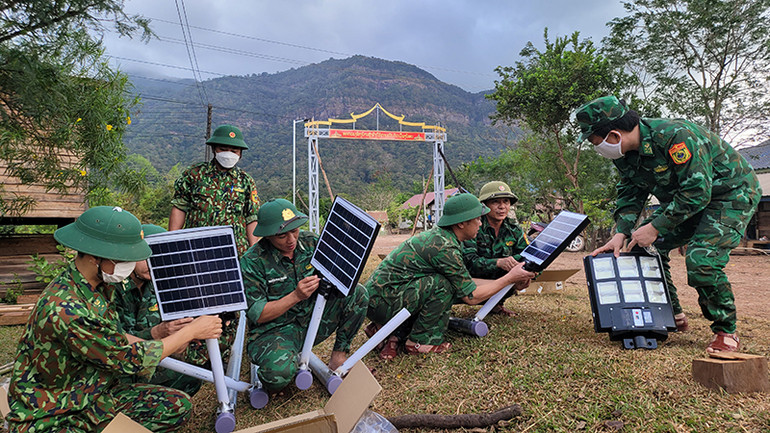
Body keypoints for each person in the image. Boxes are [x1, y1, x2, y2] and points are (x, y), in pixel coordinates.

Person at [6, 206, 222, 432]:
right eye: (122, 258)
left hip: (91, 394)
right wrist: (191, 331)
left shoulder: (93, 286)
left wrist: (166, 337)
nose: (129, 264)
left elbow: (116, 337)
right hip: (55, 414)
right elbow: (128, 359)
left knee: (175, 406)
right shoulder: (67, 309)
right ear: (94, 257)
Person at [575, 95, 762, 353]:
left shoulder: (675, 137)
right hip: (685, 200)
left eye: (596, 143)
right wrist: (621, 233)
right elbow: (630, 192)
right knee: (643, 248)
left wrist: (655, 227)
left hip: (730, 195)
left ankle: (725, 330)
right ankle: (670, 313)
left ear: (614, 135)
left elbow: (697, 191)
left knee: (701, 260)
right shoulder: (624, 154)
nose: (597, 148)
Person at [365, 193, 535, 360]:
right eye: (477, 219)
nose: (480, 223)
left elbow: (465, 283)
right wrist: (509, 278)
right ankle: (419, 342)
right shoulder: (445, 247)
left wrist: (508, 283)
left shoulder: (444, 238)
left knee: (446, 284)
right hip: (382, 303)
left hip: (381, 298)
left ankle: (386, 330)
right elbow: (471, 296)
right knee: (442, 286)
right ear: (461, 223)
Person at [240, 199, 368, 393]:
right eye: (282, 235)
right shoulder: (252, 262)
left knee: (357, 293)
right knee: (277, 376)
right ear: (267, 235)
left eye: (295, 231)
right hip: (275, 330)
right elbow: (258, 314)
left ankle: (339, 356)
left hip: (312, 320)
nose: (291, 239)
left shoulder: (310, 242)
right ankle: (281, 360)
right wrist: (296, 296)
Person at [114, 224, 203, 396]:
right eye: (146, 257)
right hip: (121, 367)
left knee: (190, 379)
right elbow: (115, 341)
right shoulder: (112, 288)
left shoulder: (162, 283)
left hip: (154, 361)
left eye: (159, 257)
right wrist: (156, 332)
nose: (153, 263)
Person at [169, 124, 261, 256]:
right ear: (214, 149)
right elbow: (179, 207)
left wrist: (252, 253)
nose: (228, 154)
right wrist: (172, 242)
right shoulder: (194, 174)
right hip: (197, 249)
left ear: (240, 154)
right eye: (223, 149)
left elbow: (252, 218)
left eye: (234, 151)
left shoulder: (246, 181)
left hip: (235, 252)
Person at [462, 181, 529, 316]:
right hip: (472, 280)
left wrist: (527, 274)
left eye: (506, 201)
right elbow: (469, 262)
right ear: (484, 205)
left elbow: (528, 255)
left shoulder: (514, 229)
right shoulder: (474, 226)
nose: (502, 207)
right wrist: (499, 263)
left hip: (501, 279)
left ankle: (496, 305)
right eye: (495, 202)